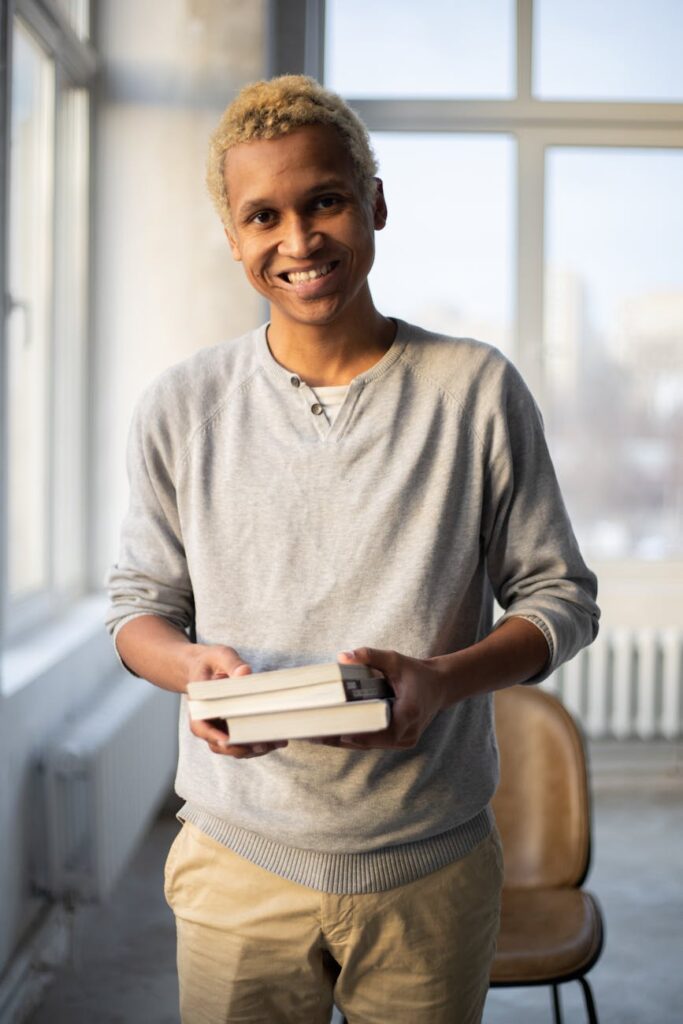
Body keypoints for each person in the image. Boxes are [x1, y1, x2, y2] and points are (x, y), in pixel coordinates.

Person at [106, 75, 599, 1024]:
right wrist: (193, 671)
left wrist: (443, 680)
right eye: (264, 217)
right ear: (235, 238)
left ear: (373, 201)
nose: (298, 242)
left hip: (431, 868)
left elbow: (559, 599)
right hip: (235, 860)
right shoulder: (180, 405)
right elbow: (138, 608)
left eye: (324, 200)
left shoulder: (475, 391)